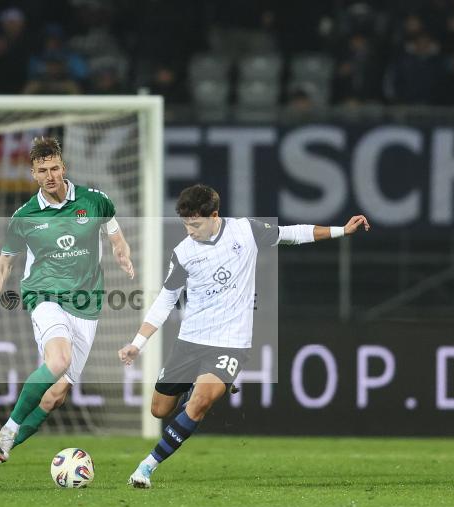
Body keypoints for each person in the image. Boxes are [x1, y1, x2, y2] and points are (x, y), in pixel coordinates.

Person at [119, 184, 370, 488]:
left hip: (230, 342)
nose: (190, 230)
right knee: (160, 410)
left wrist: (341, 230)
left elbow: (292, 233)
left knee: (200, 402)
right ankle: (192, 389)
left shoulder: (245, 232)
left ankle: (146, 467)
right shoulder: (183, 253)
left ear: (215, 216)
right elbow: (166, 298)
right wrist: (138, 343)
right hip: (191, 340)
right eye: (185, 223)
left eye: (195, 223)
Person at [0, 136, 134, 484]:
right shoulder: (26, 216)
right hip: (44, 297)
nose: (50, 176)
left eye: (55, 168)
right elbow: (4, 264)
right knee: (57, 360)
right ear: (33, 173)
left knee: (56, 395)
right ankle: (10, 429)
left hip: (87, 306)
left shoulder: (94, 201)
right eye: (42, 170)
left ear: (64, 167)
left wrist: (122, 252)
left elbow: (114, 232)